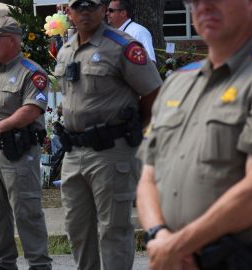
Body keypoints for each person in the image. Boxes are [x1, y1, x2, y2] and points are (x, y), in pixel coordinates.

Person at [137, 0, 252, 269]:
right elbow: (148, 176)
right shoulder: (177, 83)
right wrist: (159, 236)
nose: (203, 7)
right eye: (194, 1)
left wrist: (178, 245)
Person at [54, 0, 162, 269]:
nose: (85, 11)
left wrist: (130, 128)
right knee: (77, 228)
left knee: (113, 229)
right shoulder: (66, 49)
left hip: (111, 152)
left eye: (93, 4)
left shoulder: (123, 46)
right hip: (73, 152)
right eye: (79, 6)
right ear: (69, 12)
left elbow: (153, 94)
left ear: (104, 9)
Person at [0, 16, 52, 270]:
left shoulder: (31, 72)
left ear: (12, 41)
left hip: (19, 151)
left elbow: (32, 109)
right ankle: (4, 262)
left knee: (26, 210)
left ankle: (39, 264)